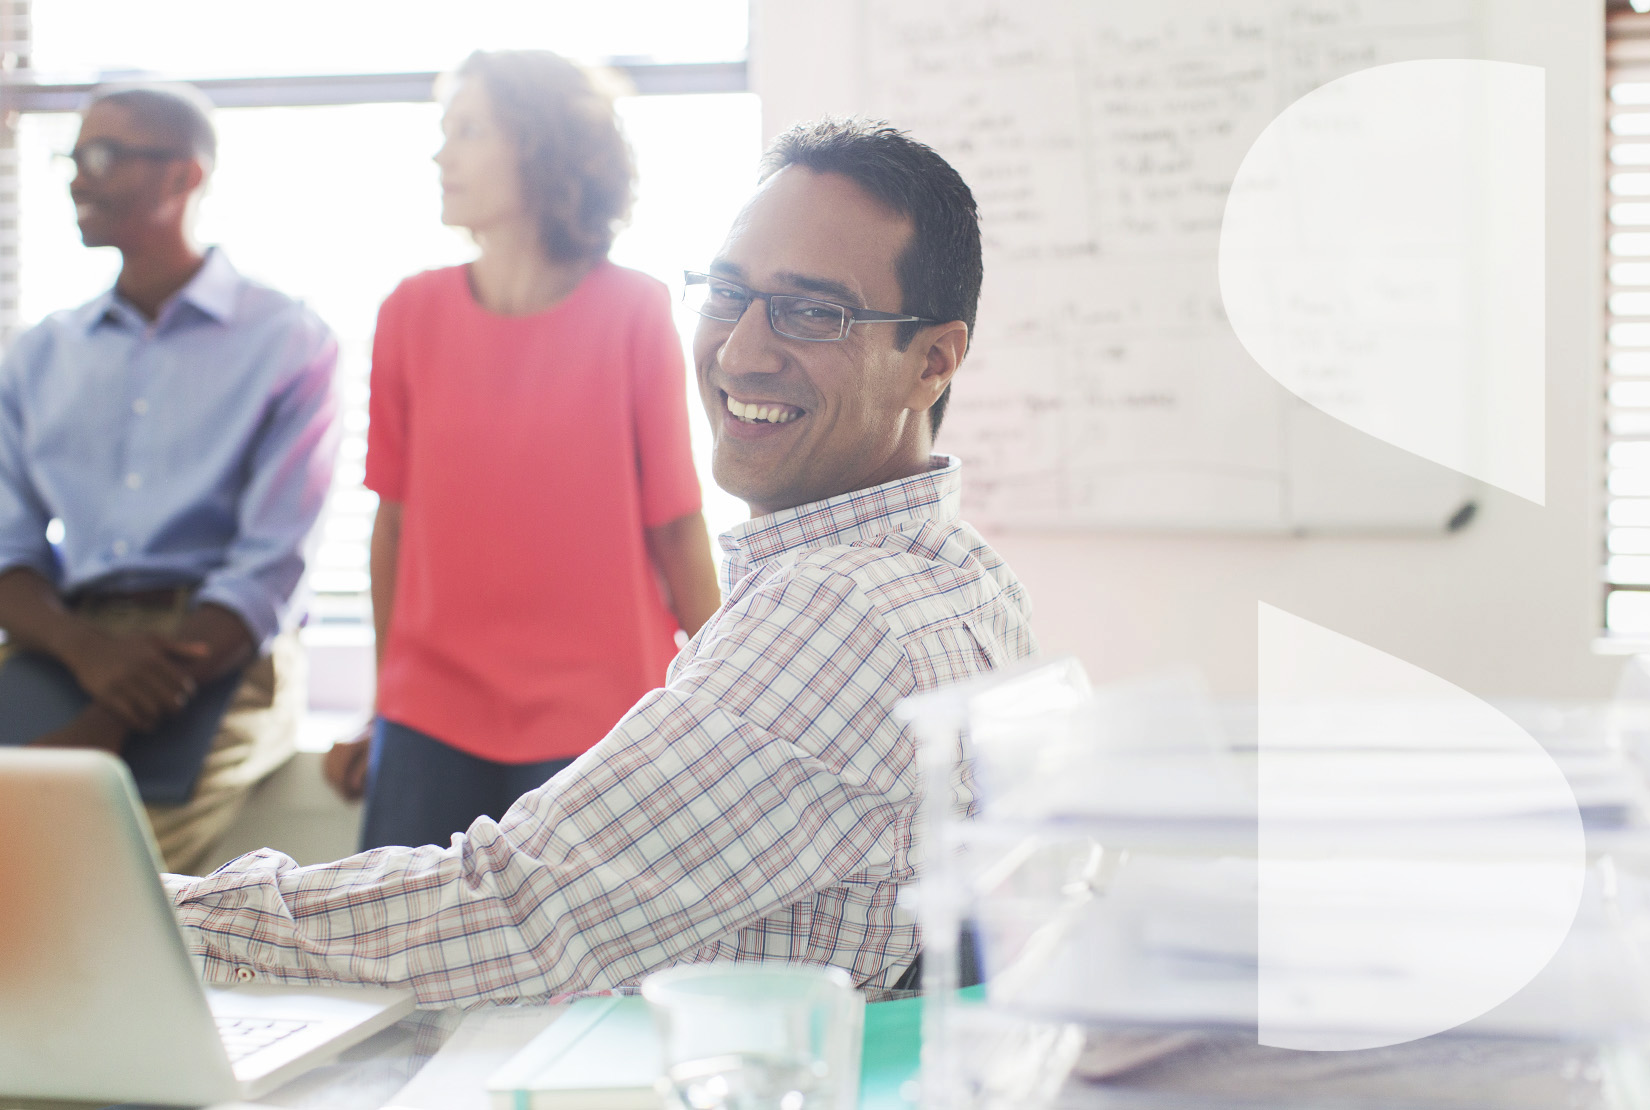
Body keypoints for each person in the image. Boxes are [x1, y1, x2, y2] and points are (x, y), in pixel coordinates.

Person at [165, 118, 1035, 1000]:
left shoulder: (836, 616)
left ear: (933, 361)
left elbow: (514, 914)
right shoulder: (965, 577)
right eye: (729, 293)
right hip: (447, 719)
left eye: (814, 312)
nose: (740, 351)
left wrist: (161, 914)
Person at [319, 50, 721, 852]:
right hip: (429, 716)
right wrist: (383, 703)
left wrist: (723, 710)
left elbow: (676, 530)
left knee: (585, 980)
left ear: (539, 148)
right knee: (402, 969)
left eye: (467, 131)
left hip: (599, 721)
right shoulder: (408, 313)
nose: (443, 155)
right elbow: (393, 527)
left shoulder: (635, 312)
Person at [0, 84, 339, 874]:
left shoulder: (289, 341)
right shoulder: (39, 356)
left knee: (90, 877)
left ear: (183, 178)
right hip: (65, 641)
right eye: (75, 155)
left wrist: (111, 716)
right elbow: (7, 549)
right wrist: (89, 655)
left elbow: (268, 570)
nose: (78, 178)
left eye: (104, 156)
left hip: (215, 653)